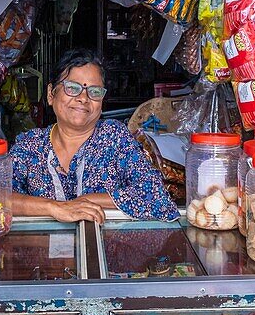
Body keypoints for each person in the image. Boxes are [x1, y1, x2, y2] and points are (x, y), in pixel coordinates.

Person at [10, 49, 178, 223]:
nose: (83, 98)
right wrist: (54, 207)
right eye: (72, 88)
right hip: (43, 248)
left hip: (107, 247)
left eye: (95, 91)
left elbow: (156, 194)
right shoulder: (30, 145)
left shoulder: (114, 138)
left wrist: (84, 202)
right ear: (51, 94)